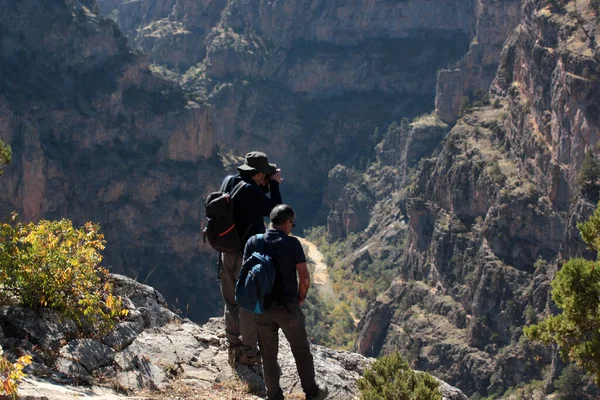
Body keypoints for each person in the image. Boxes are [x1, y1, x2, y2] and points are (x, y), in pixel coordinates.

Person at [243, 204, 329, 400]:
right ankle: (312, 392)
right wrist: (300, 299)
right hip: (288, 307)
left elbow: (247, 274)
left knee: (268, 356)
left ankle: (273, 395)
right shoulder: (292, 244)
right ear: (288, 222)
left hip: (262, 307)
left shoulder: (253, 242)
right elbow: (305, 278)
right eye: (293, 223)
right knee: (300, 350)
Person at [221, 151, 283, 366]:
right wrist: (274, 185)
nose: (267, 176)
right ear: (257, 174)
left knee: (230, 301)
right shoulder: (251, 191)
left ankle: (233, 346)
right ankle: (249, 353)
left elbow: (250, 202)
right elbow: (277, 212)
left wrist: (264, 184)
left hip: (225, 252)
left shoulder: (230, 182)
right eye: (264, 173)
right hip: (244, 256)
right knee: (247, 303)